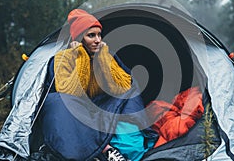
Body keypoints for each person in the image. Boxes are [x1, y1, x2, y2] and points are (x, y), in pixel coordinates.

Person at [39, 9, 157, 161]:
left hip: (104, 106)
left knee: (130, 98)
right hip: (77, 111)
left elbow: (122, 87)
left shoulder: (105, 54)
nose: (97, 40)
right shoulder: (64, 58)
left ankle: (103, 151)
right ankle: (106, 150)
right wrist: (79, 56)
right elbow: (69, 91)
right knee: (56, 101)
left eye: (99, 35)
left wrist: (103, 58)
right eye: (91, 35)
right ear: (80, 38)